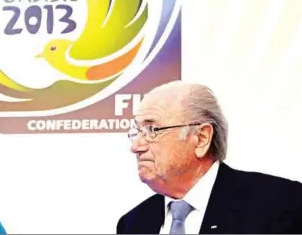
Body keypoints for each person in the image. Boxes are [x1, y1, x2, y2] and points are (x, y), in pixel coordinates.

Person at [117, 80, 302, 234]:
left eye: (152, 130)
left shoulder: (282, 204)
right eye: (137, 131)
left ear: (201, 138)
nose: (136, 147)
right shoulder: (133, 223)